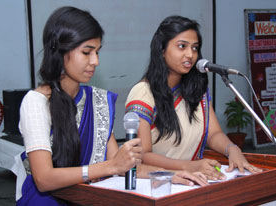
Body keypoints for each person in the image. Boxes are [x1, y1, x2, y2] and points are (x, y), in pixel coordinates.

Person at [17, 8, 207, 206]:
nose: (95, 61)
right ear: (59, 50)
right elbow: (44, 179)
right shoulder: (36, 103)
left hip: (86, 198)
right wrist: (110, 167)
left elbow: (124, 166)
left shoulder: (97, 100)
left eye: (97, 52)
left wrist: (171, 175)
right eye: (86, 52)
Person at [125, 15, 262, 181]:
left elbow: (214, 134)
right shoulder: (143, 92)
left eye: (195, 48)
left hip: (195, 178)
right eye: (182, 46)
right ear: (162, 50)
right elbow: (143, 155)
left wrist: (232, 149)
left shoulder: (196, 89)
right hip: (160, 182)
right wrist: (190, 166)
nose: (190, 54)